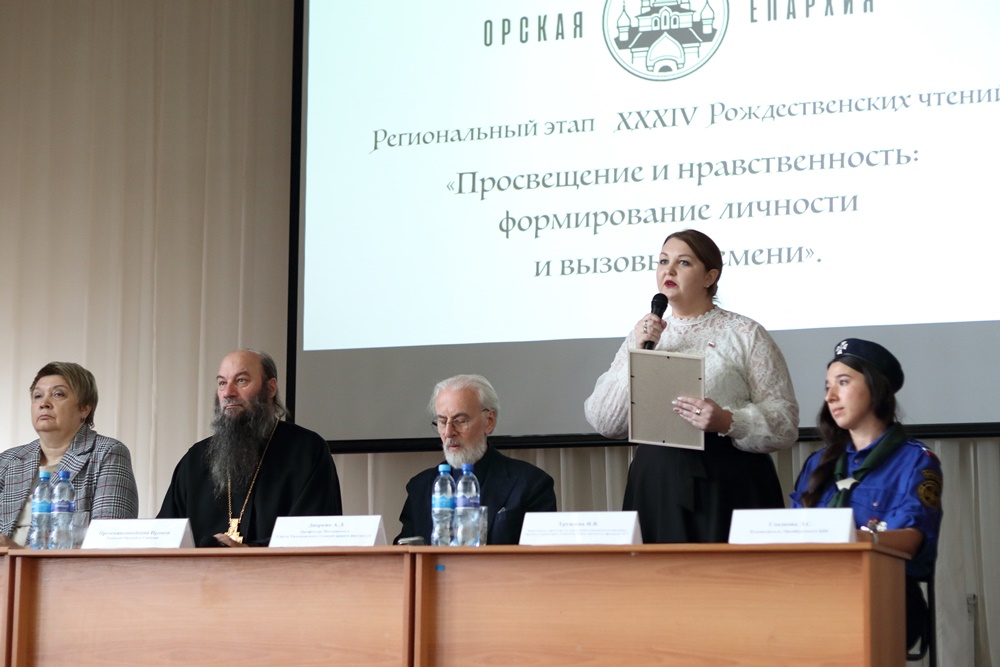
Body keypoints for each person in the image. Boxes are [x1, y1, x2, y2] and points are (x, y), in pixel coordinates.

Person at [584, 229, 799, 543]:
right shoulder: (643, 334)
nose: (669, 270)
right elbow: (606, 422)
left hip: (728, 479)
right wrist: (639, 353)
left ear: (710, 277)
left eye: (683, 262)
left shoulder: (745, 333)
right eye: (663, 261)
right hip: (657, 482)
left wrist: (728, 420)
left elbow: (785, 423)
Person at [791, 338, 942, 650]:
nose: (830, 397)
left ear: (876, 388)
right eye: (827, 387)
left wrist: (855, 539)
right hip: (815, 584)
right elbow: (794, 531)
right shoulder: (818, 463)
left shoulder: (916, 461)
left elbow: (913, 538)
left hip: (885, 589)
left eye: (843, 382)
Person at [158, 349, 342, 546]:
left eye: (241, 381)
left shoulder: (307, 451)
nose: (228, 392)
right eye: (222, 383)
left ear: (270, 388)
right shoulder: (195, 459)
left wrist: (246, 551)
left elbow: (315, 538)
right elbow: (165, 540)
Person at [395, 374, 556, 545]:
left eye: (460, 420)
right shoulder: (420, 488)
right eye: (442, 422)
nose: (448, 432)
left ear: (489, 421)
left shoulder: (531, 484)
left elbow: (542, 557)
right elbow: (403, 555)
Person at [0, 362, 139, 547]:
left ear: (85, 408)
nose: (44, 403)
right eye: (37, 396)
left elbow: (109, 542)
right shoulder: (8, 460)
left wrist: (19, 552)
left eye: (58, 394)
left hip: (65, 567)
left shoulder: (108, 453)